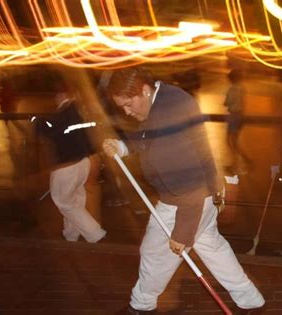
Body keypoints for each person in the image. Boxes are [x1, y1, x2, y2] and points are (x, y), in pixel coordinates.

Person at [102, 67, 265, 314]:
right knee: (212, 248)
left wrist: (183, 232)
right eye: (121, 107)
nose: (127, 111)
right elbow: (147, 136)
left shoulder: (168, 116)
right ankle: (251, 300)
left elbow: (190, 186)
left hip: (186, 200)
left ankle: (141, 306)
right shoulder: (164, 98)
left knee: (156, 253)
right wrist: (123, 147)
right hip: (200, 194)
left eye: (128, 104)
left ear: (145, 90)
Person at [35, 81, 106, 243]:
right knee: (76, 200)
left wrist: (36, 120)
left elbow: (49, 131)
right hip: (83, 162)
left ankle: (95, 233)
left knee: (64, 201)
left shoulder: (63, 113)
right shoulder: (82, 111)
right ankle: (71, 234)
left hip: (66, 166)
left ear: (60, 95)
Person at [224, 69, 251, 175]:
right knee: (233, 142)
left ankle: (237, 164)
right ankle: (241, 161)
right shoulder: (242, 88)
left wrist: (227, 102)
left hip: (233, 115)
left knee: (230, 142)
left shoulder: (232, 89)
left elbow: (227, 102)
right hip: (240, 115)